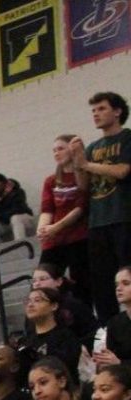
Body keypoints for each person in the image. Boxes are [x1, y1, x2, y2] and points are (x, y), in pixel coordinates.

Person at [70, 92, 131, 323]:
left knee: (127, 272)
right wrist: (77, 163)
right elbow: (83, 186)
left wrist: (86, 163)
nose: (96, 114)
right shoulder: (93, 147)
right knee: (102, 282)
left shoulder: (127, 138)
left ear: (117, 111)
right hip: (98, 222)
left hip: (124, 217)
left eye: (101, 109)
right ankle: (109, 329)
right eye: (93, 110)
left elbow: (122, 171)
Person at [38, 134, 90, 308]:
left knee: (82, 286)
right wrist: (43, 228)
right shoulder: (51, 180)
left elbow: (81, 207)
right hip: (54, 240)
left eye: (60, 148)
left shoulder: (82, 176)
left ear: (72, 149)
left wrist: (56, 227)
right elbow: (47, 209)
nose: (56, 153)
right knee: (43, 283)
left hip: (78, 237)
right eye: (53, 150)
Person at [16, 285, 82, 386]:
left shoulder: (66, 337)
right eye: (28, 301)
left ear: (54, 306)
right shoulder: (24, 341)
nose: (30, 305)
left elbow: (66, 368)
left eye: (37, 300)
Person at [0, 173, 33, 246]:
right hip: (3, 223)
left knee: (15, 218)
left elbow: (18, 210)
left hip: (23, 219)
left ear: (3, 183)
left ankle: (20, 246)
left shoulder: (17, 191)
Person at [96, 266, 131, 365]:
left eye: (126, 283)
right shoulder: (115, 323)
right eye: (117, 285)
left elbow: (116, 361)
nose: (119, 288)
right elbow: (110, 357)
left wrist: (120, 363)